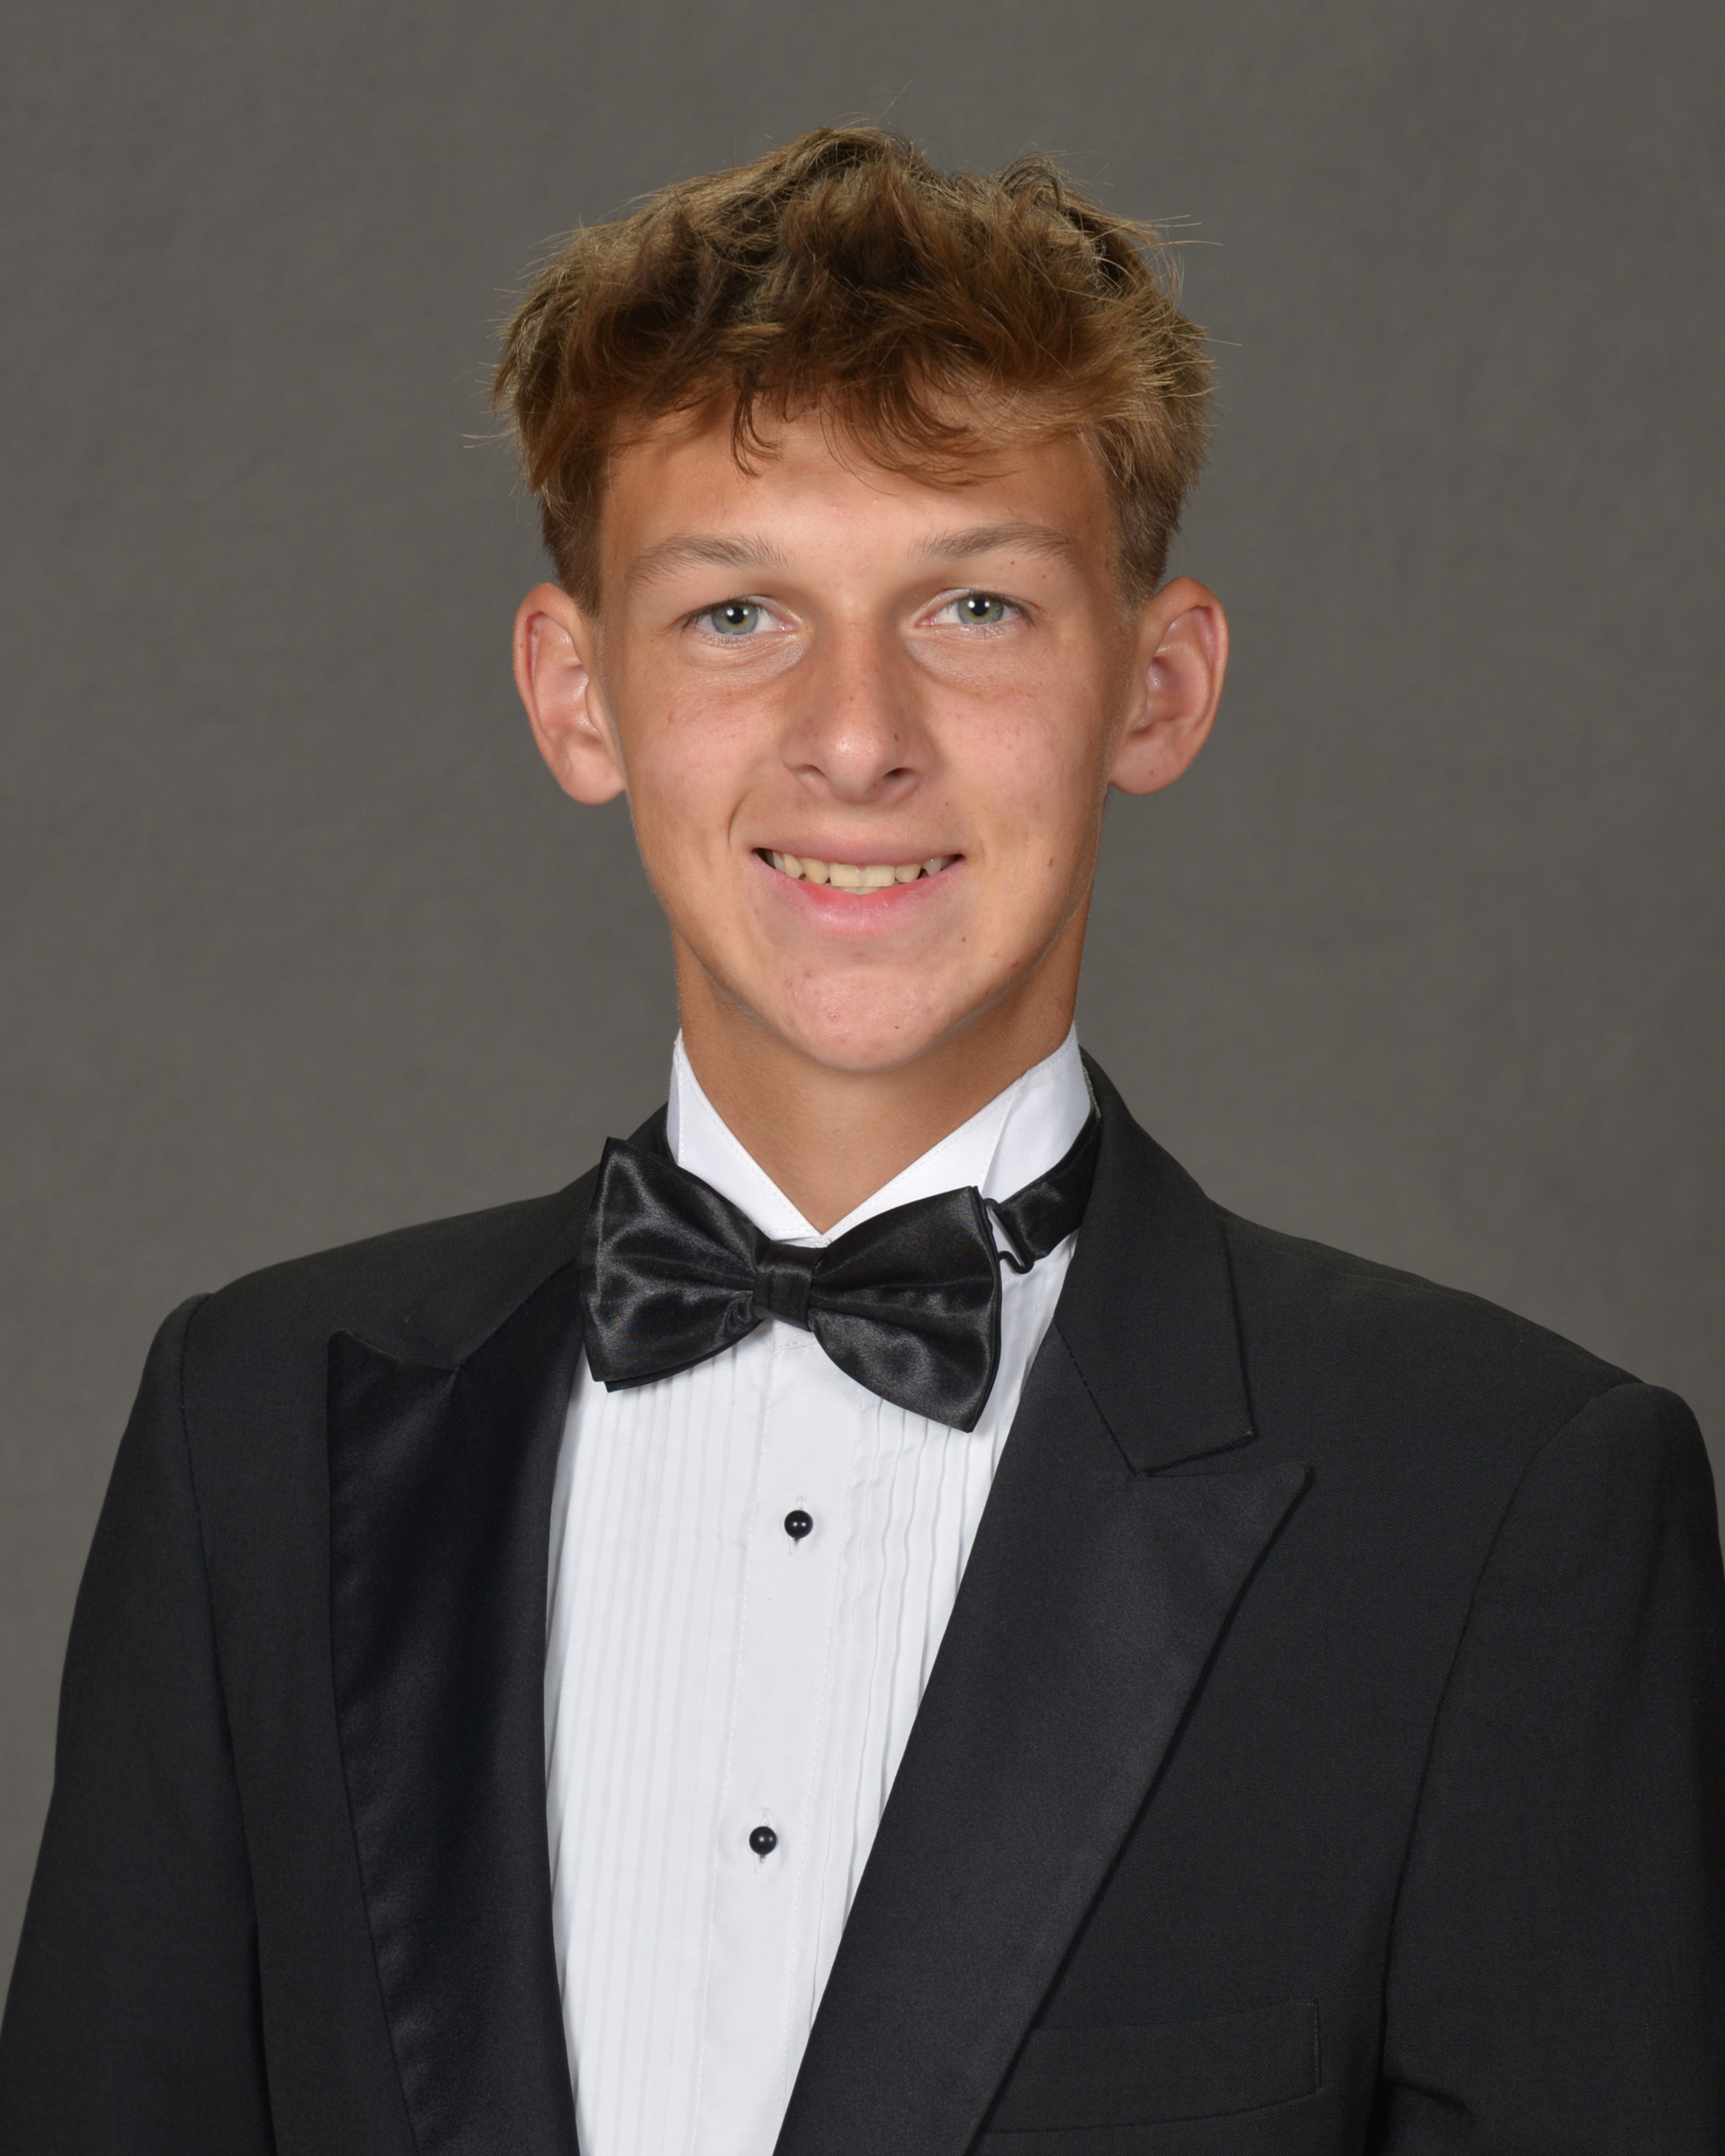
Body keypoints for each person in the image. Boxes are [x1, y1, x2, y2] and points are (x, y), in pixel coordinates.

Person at [1, 125, 1720, 2156]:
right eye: (736, 614)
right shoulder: (252, 1432)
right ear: (577, 696)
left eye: (974, 605)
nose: (854, 737)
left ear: (1157, 687)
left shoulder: (1504, 1503)